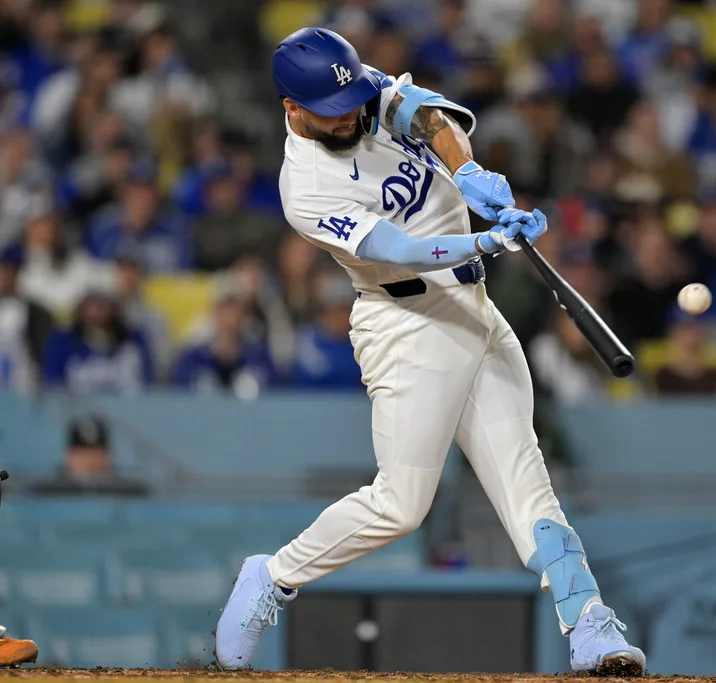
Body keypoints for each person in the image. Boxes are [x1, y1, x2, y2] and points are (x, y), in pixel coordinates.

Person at [214, 27, 645, 676]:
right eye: (335, 112)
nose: (355, 114)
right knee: (401, 504)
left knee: (527, 481)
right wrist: (484, 243)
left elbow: (426, 115)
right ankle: (272, 575)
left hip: (473, 310)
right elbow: (398, 249)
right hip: (407, 324)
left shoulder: (354, 92)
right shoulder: (305, 187)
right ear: (291, 110)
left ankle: (590, 625)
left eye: (355, 99)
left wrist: (467, 168)